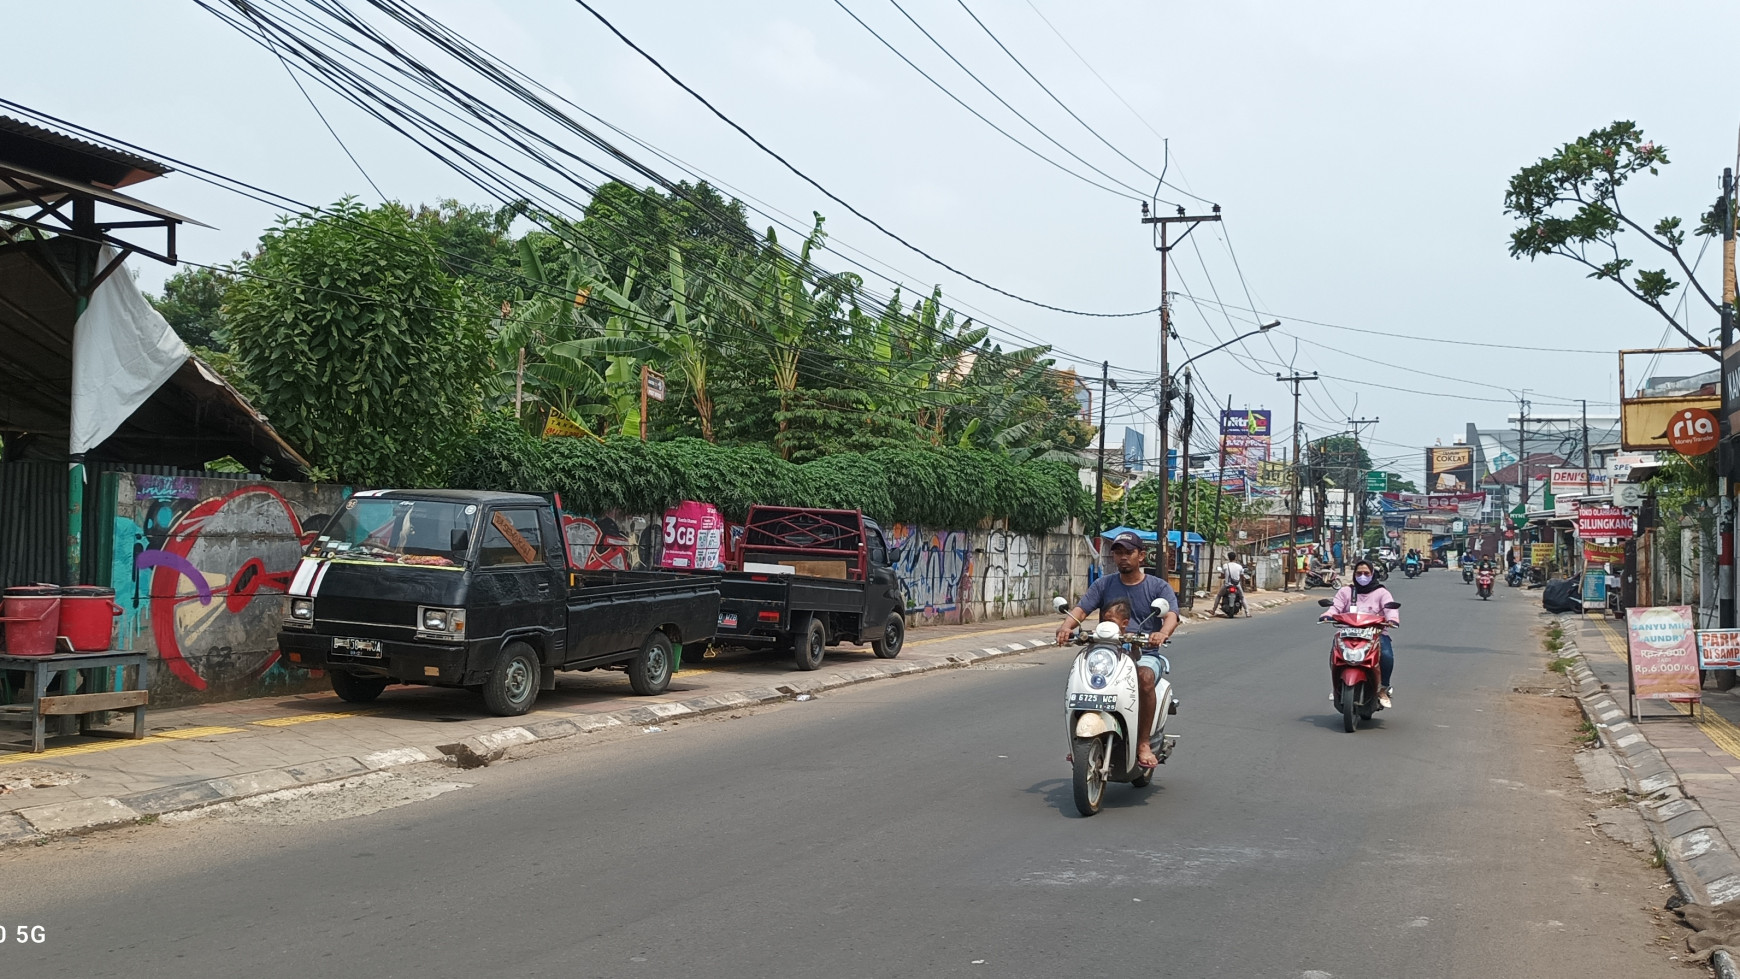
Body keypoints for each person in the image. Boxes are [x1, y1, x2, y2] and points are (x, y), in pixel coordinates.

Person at [1057, 531, 1181, 768]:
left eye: (1128, 552)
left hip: (1146, 653)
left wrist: (1161, 634)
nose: (1123, 557)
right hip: (1108, 651)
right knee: (1083, 678)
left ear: (1141, 556)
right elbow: (1082, 610)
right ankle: (1080, 742)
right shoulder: (1104, 584)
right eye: (1118, 552)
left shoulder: (1157, 586)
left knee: (1144, 678)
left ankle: (1143, 742)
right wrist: (1066, 626)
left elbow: (1172, 615)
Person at [1320, 559, 1401, 707]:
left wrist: (1393, 619)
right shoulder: (1346, 591)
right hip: (1348, 632)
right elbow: (1335, 607)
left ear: (1372, 574)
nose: (1362, 576)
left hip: (1375, 633)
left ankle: (1383, 688)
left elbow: (1390, 609)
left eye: (1366, 573)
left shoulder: (1381, 592)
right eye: (1359, 573)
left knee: (1387, 655)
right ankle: (1337, 684)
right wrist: (1328, 614)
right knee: (1335, 653)